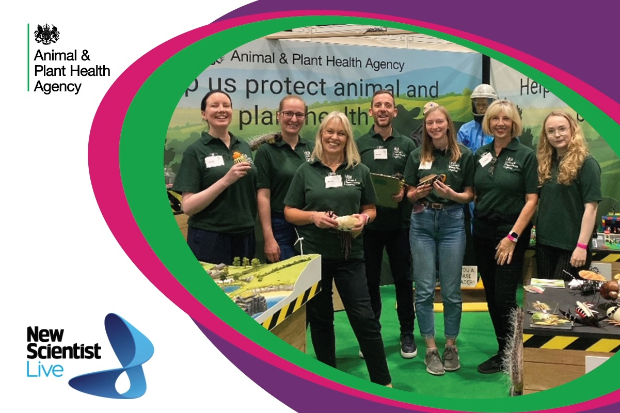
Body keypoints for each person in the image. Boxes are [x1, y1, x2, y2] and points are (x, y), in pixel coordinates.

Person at [284, 111, 392, 387]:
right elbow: (289, 211)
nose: (334, 137)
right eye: (329, 132)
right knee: (321, 321)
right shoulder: (306, 170)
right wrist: (313, 217)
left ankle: (383, 382)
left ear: (347, 139)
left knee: (365, 319)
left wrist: (363, 219)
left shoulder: (360, 171)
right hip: (315, 256)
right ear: (321, 135)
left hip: (350, 256)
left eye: (340, 133)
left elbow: (370, 208)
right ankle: (328, 379)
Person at [404, 104, 474, 375]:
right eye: (429, 123)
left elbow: (470, 194)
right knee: (423, 290)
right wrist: (417, 194)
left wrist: (452, 196)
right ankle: (431, 348)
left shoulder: (464, 155)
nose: (434, 127)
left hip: (452, 223)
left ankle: (451, 345)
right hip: (421, 223)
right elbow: (408, 194)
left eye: (439, 122)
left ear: (448, 124)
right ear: (425, 127)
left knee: (451, 290)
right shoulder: (416, 155)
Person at [472, 99, 538, 374]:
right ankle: (504, 351)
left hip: (509, 234)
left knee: (505, 296)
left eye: (506, 119)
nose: (500, 123)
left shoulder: (525, 155)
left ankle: (513, 355)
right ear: (489, 121)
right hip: (483, 232)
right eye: (495, 118)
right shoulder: (481, 153)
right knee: (491, 294)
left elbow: (532, 200)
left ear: (514, 123)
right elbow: (475, 192)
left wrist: (512, 237)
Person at [356, 90, 418, 359]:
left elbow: (413, 180)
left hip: (400, 225)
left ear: (394, 112)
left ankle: (407, 333)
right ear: (370, 111)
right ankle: (373, 333)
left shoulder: (407, 145)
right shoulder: (358, 144)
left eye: (388, 106)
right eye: (378, 105)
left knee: (404, 280)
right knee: (369, 281)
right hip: (368, 226)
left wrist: (404, 190)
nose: (383, 109)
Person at [172, 90, 257, 265]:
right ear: (204, 114)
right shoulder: (195, 151)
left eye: (226, 105)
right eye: (214, 105)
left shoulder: (242, 146)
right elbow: (187, 206)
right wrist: (226, 180)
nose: (221, 110)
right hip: (210, 238)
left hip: (245, 235)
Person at [535, 110, 602, 280]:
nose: (557, 135)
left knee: (563, 302)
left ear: (573, 130)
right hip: (545, 244)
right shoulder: (546, 163)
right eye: (551, 131)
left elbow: (591, 209)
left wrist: (581, 246)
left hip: (572, 247)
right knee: (546, 301)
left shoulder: (587, 163)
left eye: (562, 129)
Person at [255, 95, 314, 263]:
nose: (294, 119)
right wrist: (269, 238)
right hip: (280, 226)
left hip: (310, 224)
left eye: (299, 114)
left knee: (313, 282)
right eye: (288, 113)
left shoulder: (314, 148)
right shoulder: (266, 151)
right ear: (278, 115)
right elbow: (263, 196)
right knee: (287, 283)